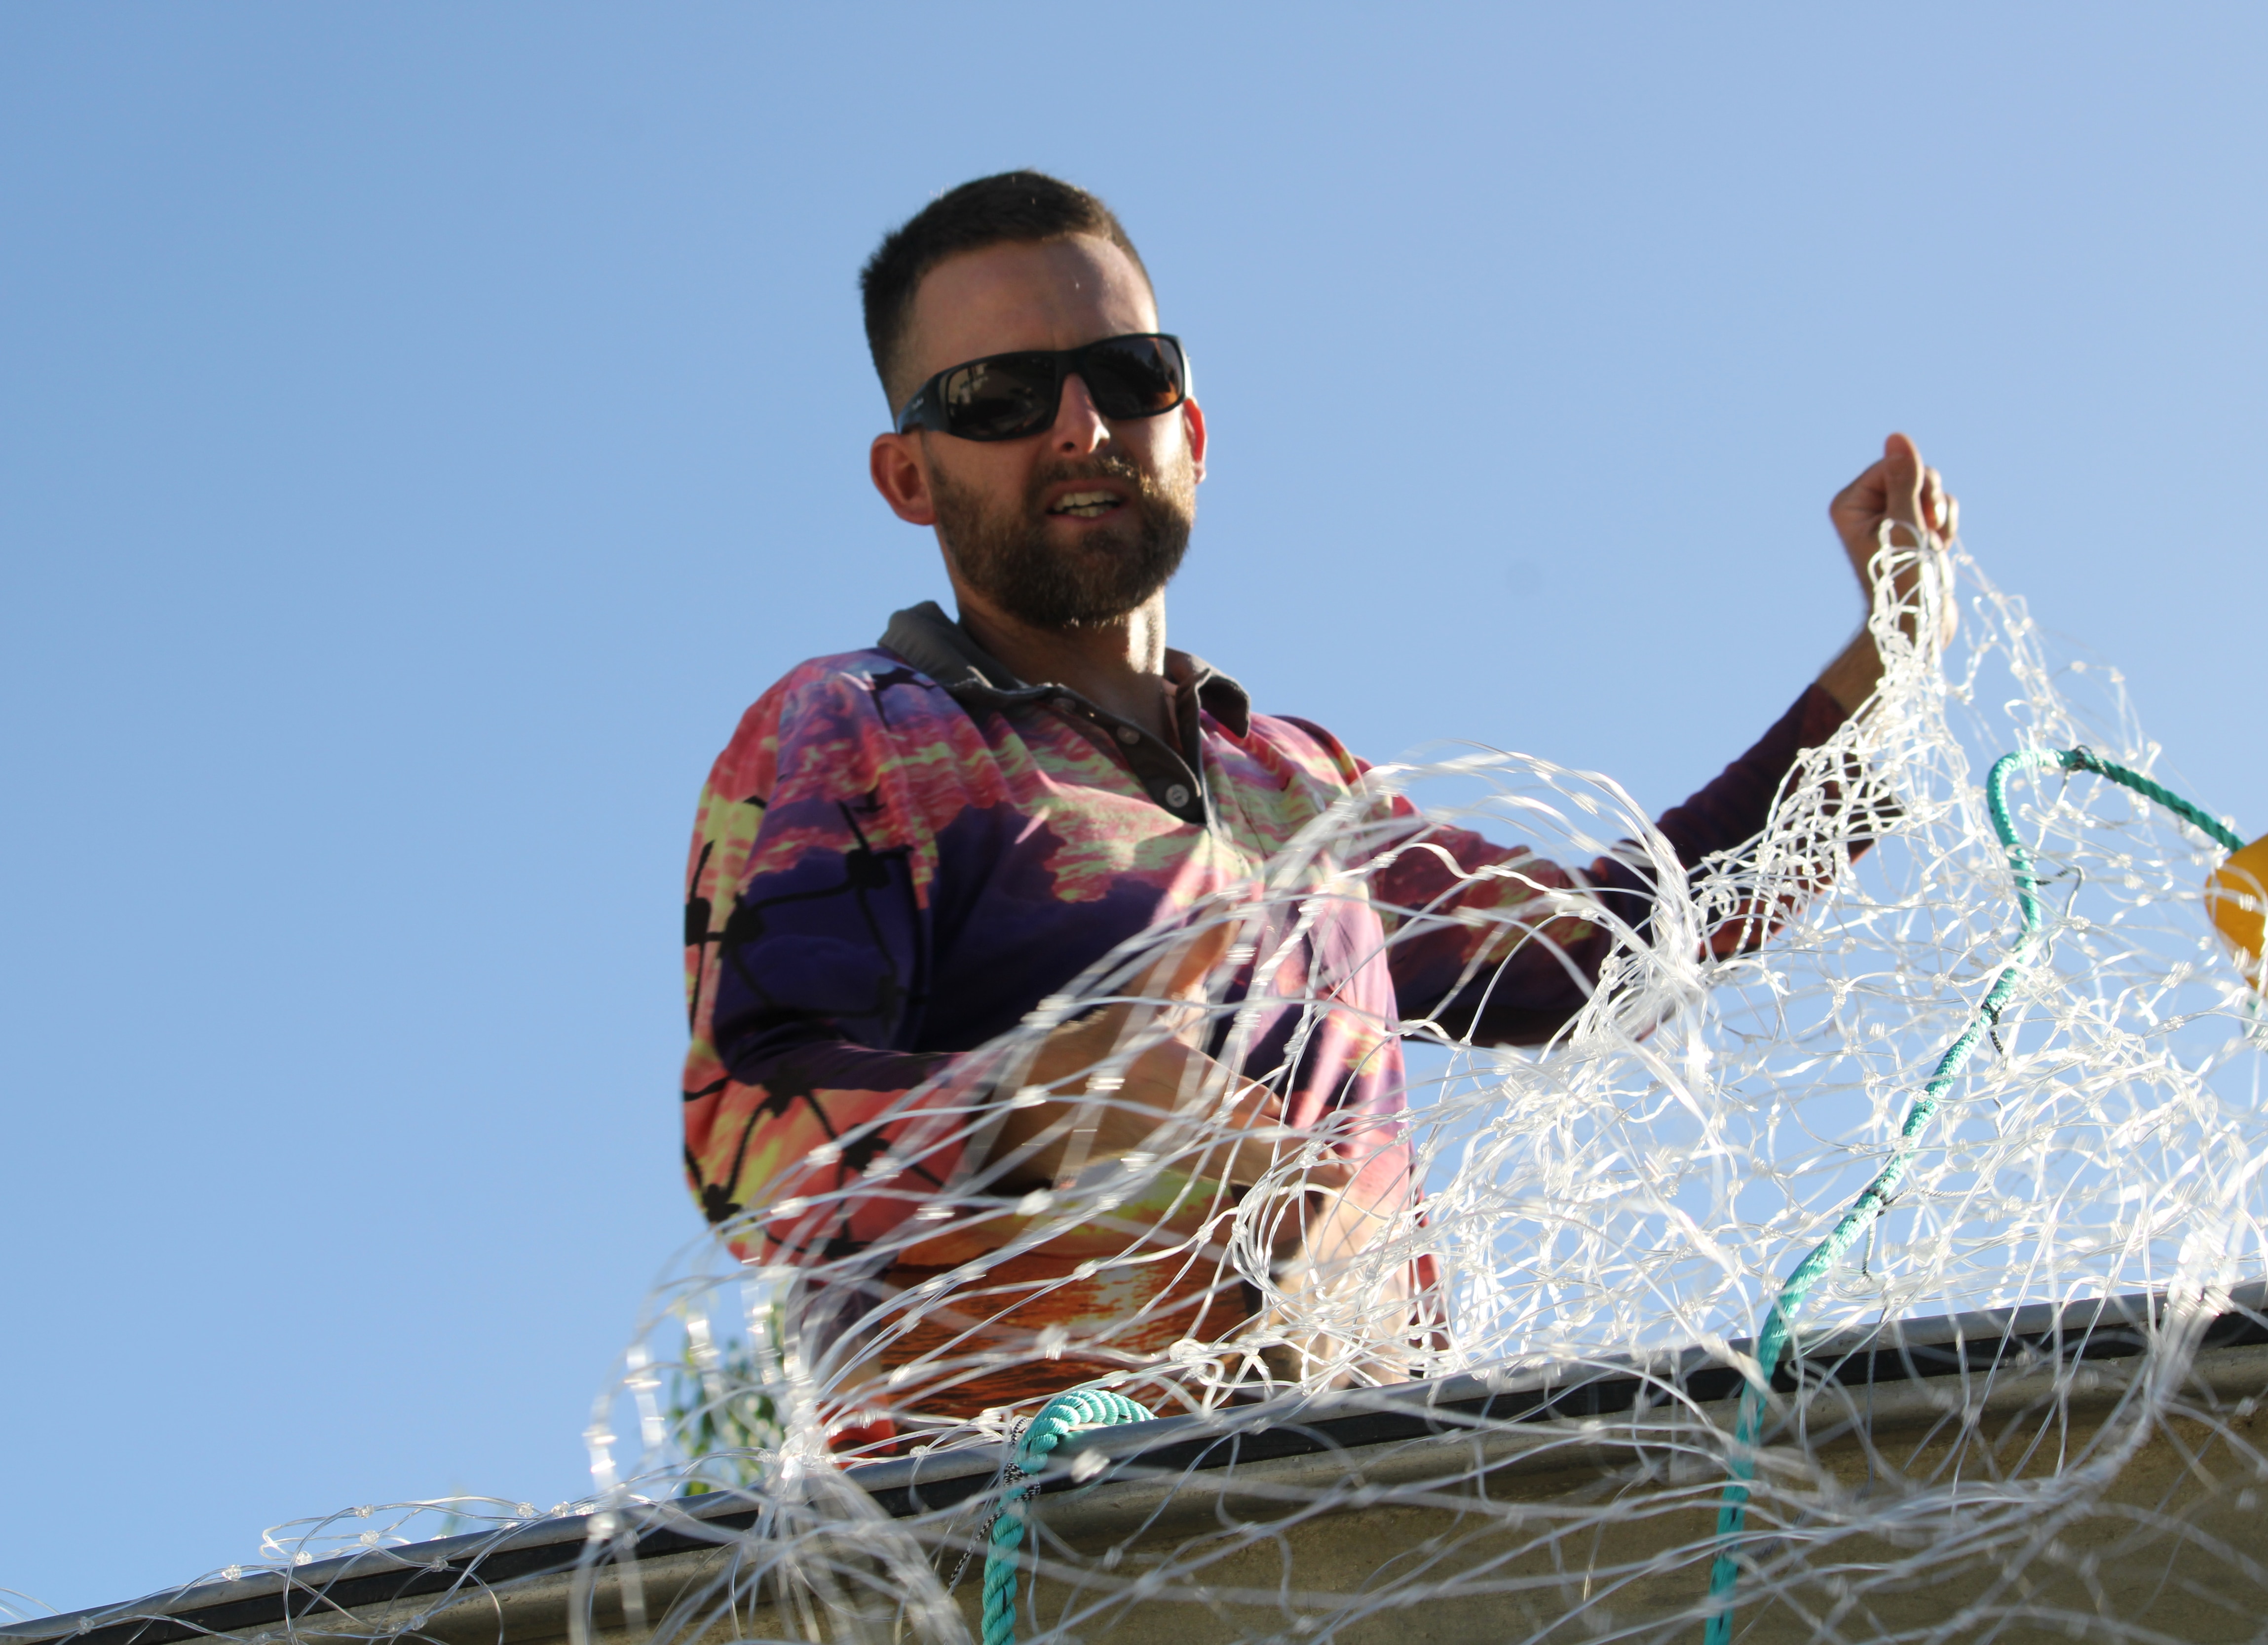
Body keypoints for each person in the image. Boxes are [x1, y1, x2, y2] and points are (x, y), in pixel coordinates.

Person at [679, 171, 1956, 1429]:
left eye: (1128, 376)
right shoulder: (858, 732)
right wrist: (1043, 1101)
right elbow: (741, 1134)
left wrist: (1874, 676)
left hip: (1357, 1534)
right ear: (909, 478)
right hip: (1007, 1555)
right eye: (1000, 397)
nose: (1081, 428)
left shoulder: (1295, 784)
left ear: (1194, 429)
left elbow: (1601, 949)